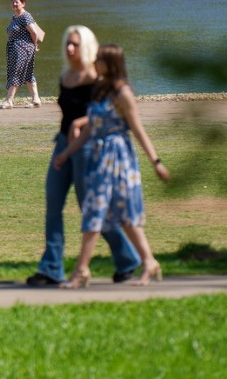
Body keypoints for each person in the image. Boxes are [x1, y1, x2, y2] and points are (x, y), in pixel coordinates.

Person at [26, 27, 141, 287]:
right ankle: (52, 268)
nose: (69, 48)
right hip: (63, 143)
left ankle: (127, 259)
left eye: (75, 44)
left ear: (86, 46)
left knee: (90, 207)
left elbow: (108, 109)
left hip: (88, 146)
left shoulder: (95, 77)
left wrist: (84, 121)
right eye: (67, 43)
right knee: (53, 203)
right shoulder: (66, 75)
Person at [53, 44, 170, 288]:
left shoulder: (123, 93)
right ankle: (148, 261)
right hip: (99, 158)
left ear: (110, 63)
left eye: (99, 59)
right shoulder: (101, 91)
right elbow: (91, 129)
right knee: (109, 213)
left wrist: (156, 162)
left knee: (109, 212)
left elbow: (137, 130)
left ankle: (81, 270)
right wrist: (66, 153)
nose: (94, 62)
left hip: (119, 159)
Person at [0, 0, 42, 109]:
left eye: (17, 2)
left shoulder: (25, 16)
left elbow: (34, 32)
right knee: (28, 74)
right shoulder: (15, 17)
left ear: (23, 4)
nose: (14, 4)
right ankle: (36, 99)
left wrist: (35, 45)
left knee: (16, 72)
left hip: (23, 49)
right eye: (13, 2)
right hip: (16, 49)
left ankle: (9, 100)